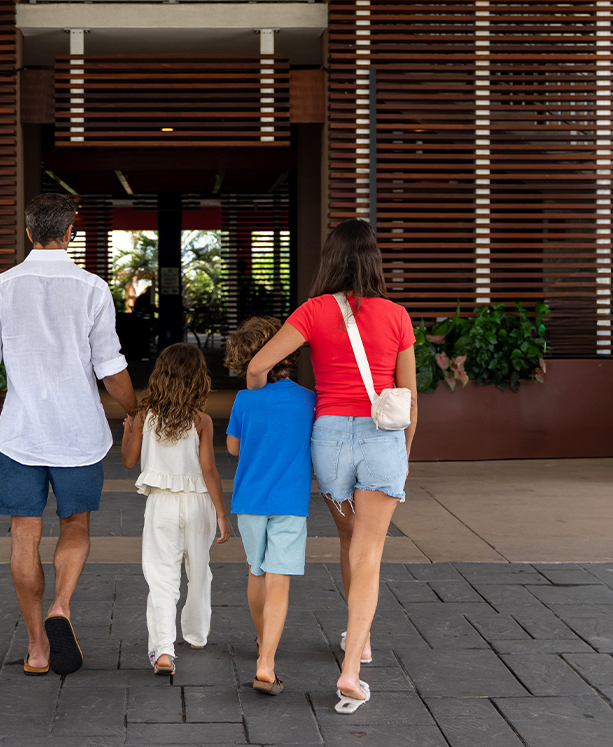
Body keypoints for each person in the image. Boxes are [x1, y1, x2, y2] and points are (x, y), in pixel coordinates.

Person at [0, 192, 138, 677]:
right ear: (70, 233)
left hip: (19, 435)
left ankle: (38, 647)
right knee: (75, 524)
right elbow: (110, 366)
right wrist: (137, 410)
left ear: (27, 232)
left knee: (24, 535)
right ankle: (61, 603)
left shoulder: (0, 287)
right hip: (79, 434)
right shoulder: (92, 289)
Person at [246, 218, 418, 714]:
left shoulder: (314, 311)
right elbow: (408, 400)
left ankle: (357, 638)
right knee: (369, 551)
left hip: (329, 441)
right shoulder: (397, 315)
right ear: (374, 260)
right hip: (381, 438)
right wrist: (400, 454)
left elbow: (258, 367)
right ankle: (351, 667)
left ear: (330, 260)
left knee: (349, 539)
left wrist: (266, 414)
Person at [120, 343, 231, 676]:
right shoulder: (202, 420)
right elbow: (209, 471)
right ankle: (196, 634)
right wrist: (222, 513)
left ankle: (163, 651)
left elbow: (128, 462)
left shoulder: (144, 417)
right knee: (199, 570)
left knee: (161, 577)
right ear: (198, 379)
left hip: (161, 506)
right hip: (199, 504)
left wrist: (128, 431)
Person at [223, 317, 316, 696]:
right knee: (280, 579)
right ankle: (267, 663)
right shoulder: (309, 399)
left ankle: (263, 641)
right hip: (290, 503)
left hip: (249, 502)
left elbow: (232, 448)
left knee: (256, 572)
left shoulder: (245, 399)